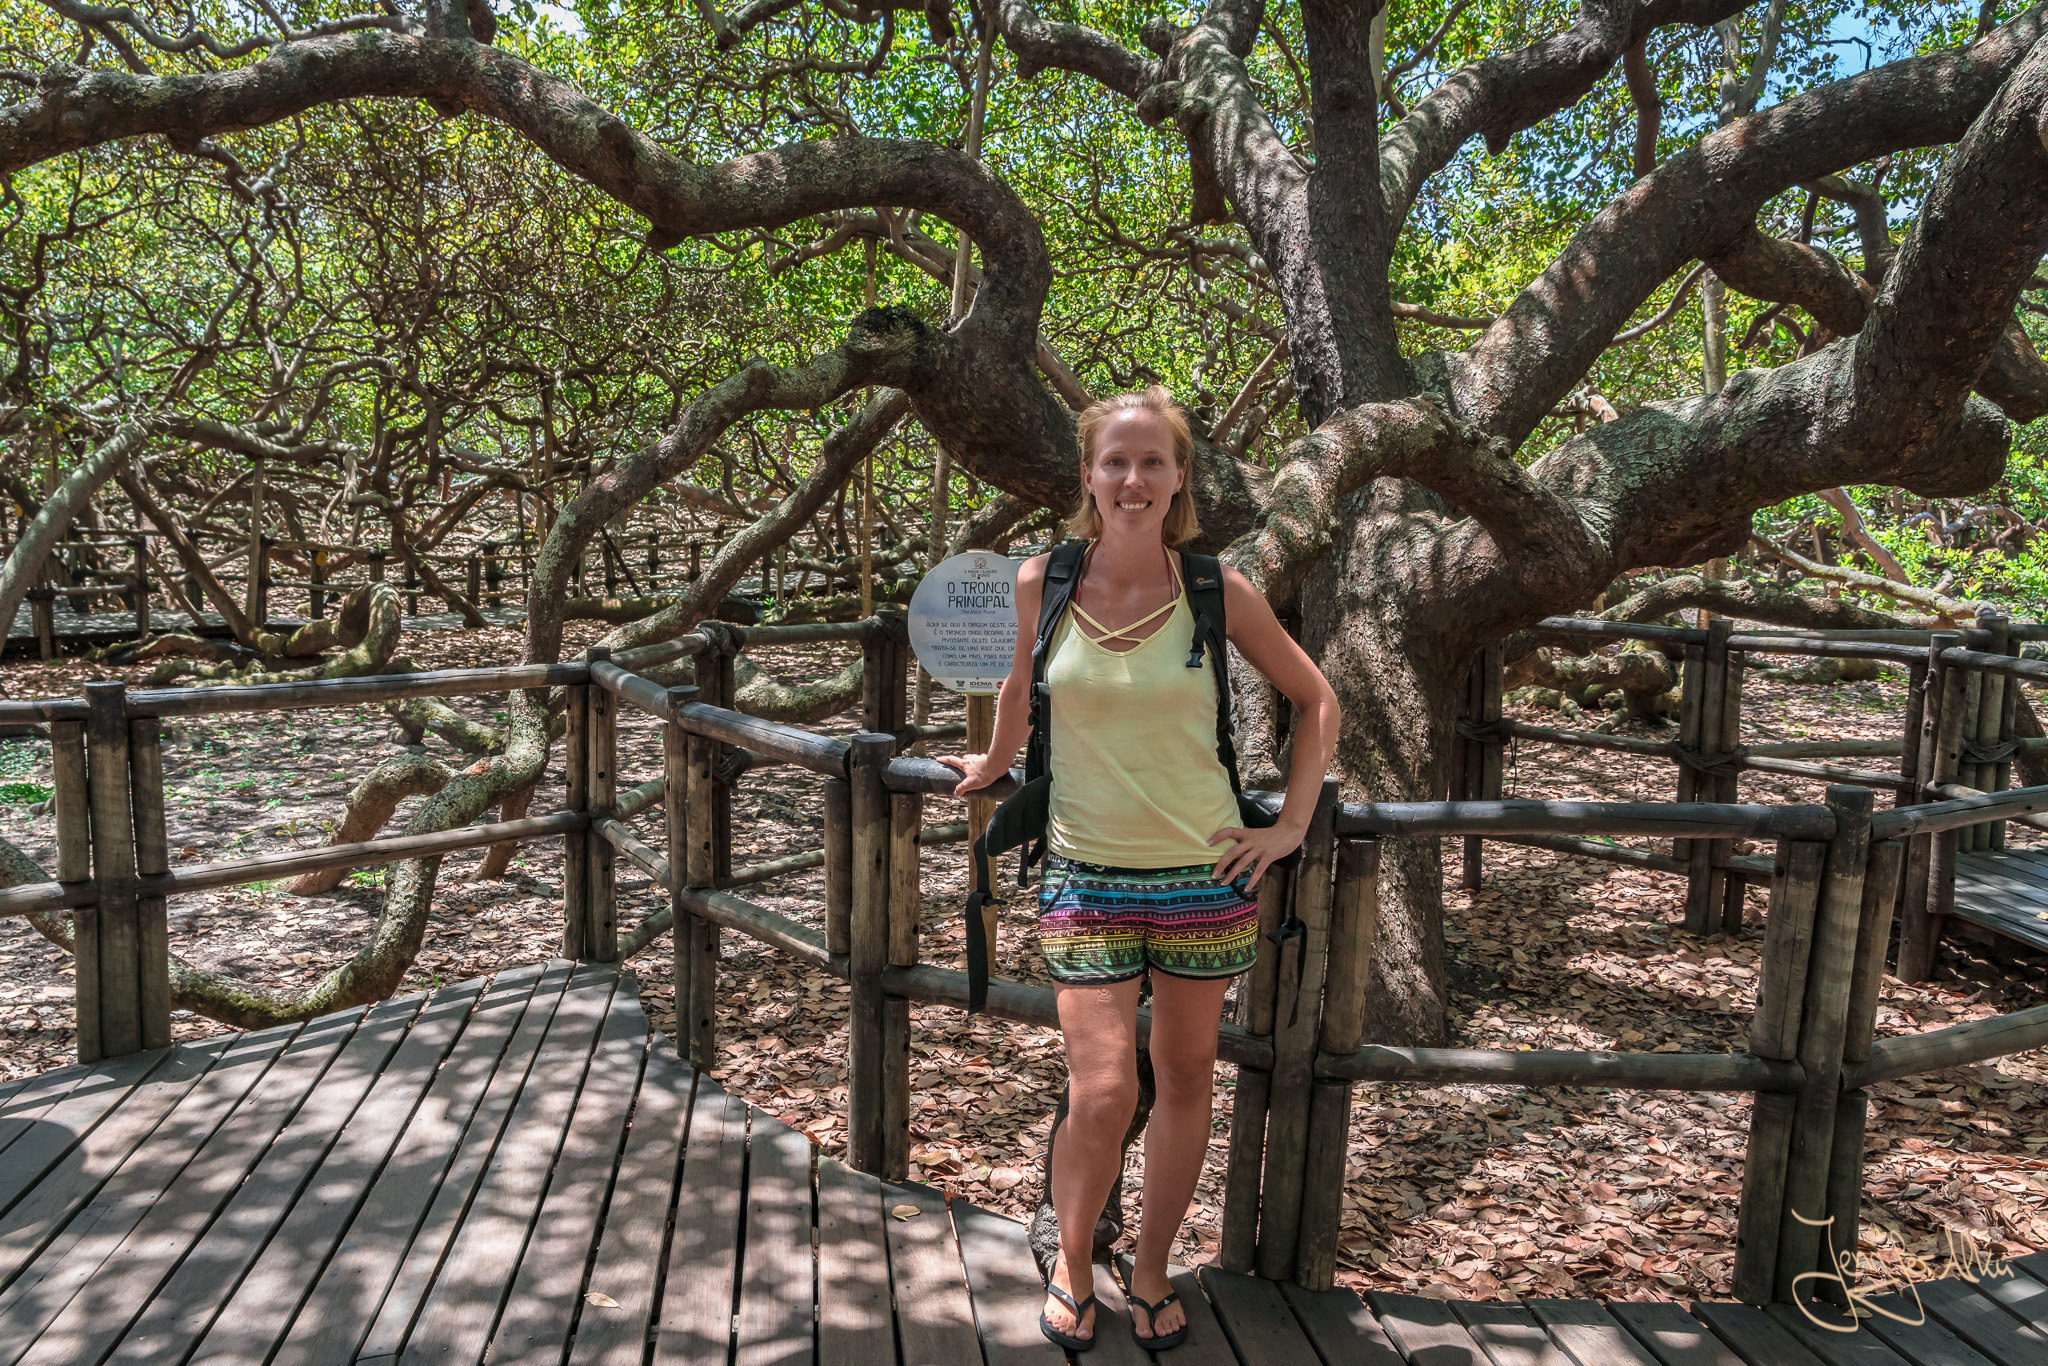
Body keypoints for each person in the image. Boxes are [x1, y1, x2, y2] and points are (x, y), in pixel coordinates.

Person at [941, 386, 1340, 1352]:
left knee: (1187, 1076)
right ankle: (1074, 1265)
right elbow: (1020, 690)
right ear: (1088, 475)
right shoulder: (1046, 581)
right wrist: (993, 767)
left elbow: (1318, 701)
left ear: (1178, 479)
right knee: (1105, 1089)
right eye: (1115, 462)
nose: (1133, 479)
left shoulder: (1217, 588)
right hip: (1085, 877)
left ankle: (1153, 1268)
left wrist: (1288, 826)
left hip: (1206, 878)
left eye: (1152, 462)